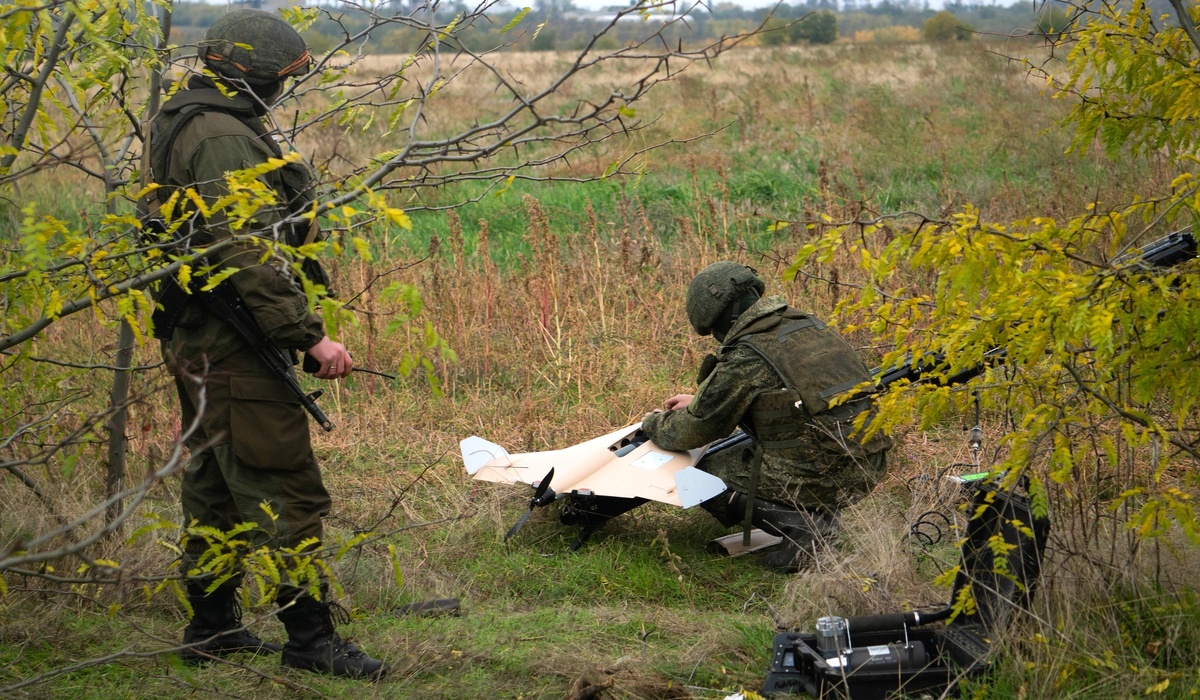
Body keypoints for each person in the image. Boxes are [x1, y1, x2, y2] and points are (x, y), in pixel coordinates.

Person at [148, 9, 387, 679]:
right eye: (280, 78)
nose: (283, 89)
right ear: (251, 75)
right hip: (234, 341)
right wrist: (308, 336)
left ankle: (212, 627)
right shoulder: (223, 136)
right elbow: (248, 252)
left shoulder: (187, 117)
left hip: (203, 337)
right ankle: (311, 642)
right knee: (287, 490)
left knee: (216, 487)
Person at [641, 262, 892, 573]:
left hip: (827, 474)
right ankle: (820, 516)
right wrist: (700, 401)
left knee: (695, 471)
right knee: (755, 450)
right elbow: (786, 393)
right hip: (868, 463)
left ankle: (805, 531)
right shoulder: (806, 325)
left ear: (717, 320)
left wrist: (652, 423)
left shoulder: (748, 353)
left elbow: (692, 432)